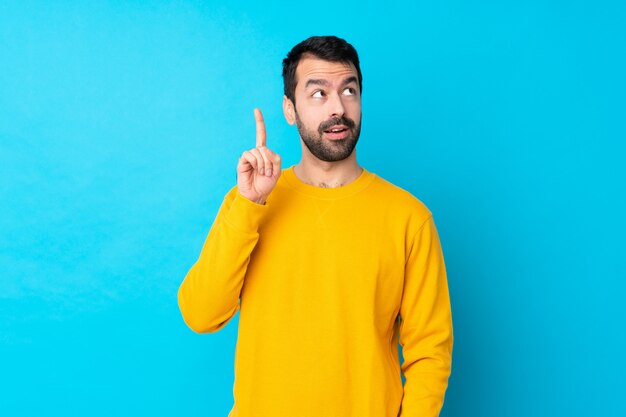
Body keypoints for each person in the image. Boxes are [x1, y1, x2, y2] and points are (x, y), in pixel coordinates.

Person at [178, 35, 453, 417]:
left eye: (349, 90)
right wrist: (249, 205)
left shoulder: (409, 218)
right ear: (289, 110)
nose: (338, 108)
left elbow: (430, 352)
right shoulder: (249, 202)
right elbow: (201, 314)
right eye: (318, 94)